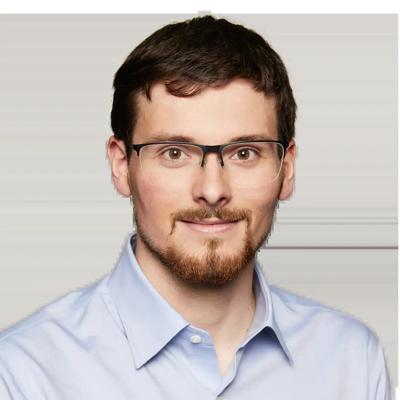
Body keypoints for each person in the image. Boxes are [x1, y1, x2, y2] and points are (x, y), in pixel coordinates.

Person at [0, 15, 392, 400]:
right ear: (121, 166)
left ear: (286, 170)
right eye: (174, 153)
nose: (212, 189)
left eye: (244, 153)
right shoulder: (22, 374)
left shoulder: (352, 362)